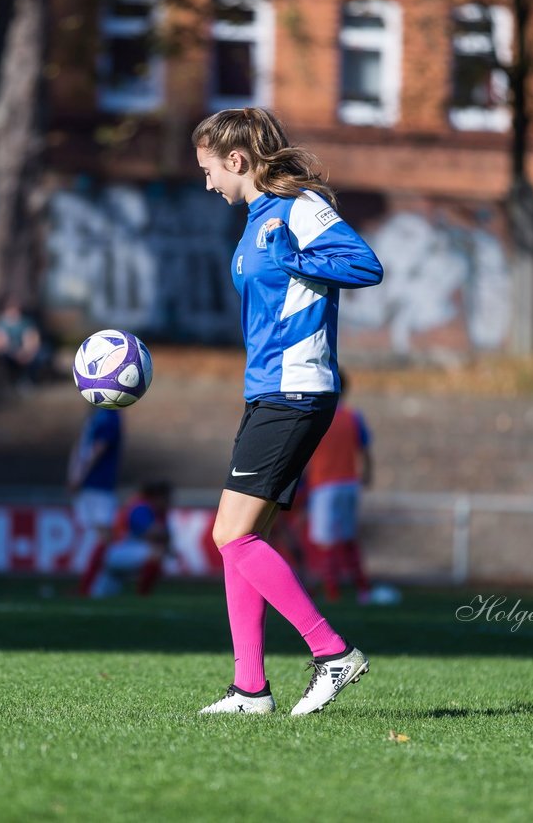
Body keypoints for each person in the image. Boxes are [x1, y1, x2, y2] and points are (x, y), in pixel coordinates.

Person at [192, 107, 383, 716]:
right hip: (267, 392)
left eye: (208, 170)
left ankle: (331, 653)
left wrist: (298, 259)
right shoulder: (255, 222)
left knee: (230, 533)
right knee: (239, 538)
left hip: (296, 390)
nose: (207, 183)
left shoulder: (297, 207)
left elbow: (365, 264)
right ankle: (250, 688)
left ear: (237, 161)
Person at [302, 370, 373, 604]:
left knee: (326, 541)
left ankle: (332, 592)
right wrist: (367, 474)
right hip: (349, 483)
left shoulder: (317, 414)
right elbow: (364, 449)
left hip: (324, 485)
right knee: (348, 537)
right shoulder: (353, 417)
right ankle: (363, 589)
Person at [86, 481, 174, 598]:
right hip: (116, 552)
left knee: (103, 597)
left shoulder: (157, 511)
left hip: (127, 553)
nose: (169, 501)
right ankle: (143, 596)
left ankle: (141, 594)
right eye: (167, 497)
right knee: (156, 553)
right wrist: (165, 538)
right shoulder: (141, 507)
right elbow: (153, 532)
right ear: (156, 496)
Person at [68, 405, 122, 589]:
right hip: (93, 484)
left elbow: (98, 448)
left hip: (99, 484)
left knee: (101, 534)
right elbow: (83, 447)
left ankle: (97, 583)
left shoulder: (108, 416)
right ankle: (93, 582)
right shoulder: (98, 416)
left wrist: (79, 474)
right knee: (96, 534)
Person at [0, 302, 47, 387]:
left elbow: (33, 339)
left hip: (27, 353)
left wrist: (26, 353)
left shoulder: (26, 322)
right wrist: (14, 353)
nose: (14, 312)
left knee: (41, 355)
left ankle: (30, 380)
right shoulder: (1, 325)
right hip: (9, 354)